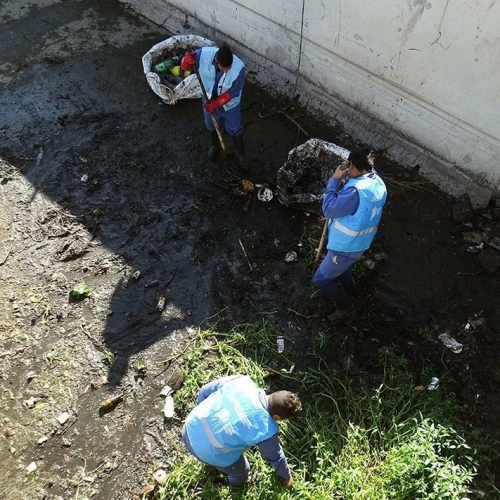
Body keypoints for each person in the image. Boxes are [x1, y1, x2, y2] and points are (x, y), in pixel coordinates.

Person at [182, 374, 302, 488]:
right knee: (242, 471)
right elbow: (275, 456)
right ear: (277, 417)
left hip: (190, 425)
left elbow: (204, 391)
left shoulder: (242, 382)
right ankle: (235, 487)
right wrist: (287, 477)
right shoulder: (267, 430)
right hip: (205, 453)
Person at [312, 148, 387, 321]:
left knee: (320, 281)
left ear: (352, 165)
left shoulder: (355, 191)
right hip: (361, 242)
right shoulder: (378, 183)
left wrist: (335, 179)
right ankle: (348, 287)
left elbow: (329, 209)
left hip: (344, 247)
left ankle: (344, 307)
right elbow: (361, 212)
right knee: (344, 270)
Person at [181, 44, 247, 167]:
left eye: (229, 68)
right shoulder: (202, 56)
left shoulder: (239, 68)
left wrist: (217, 103)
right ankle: (215, 146)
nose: (227, 70)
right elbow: (184, 67)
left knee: (235, 128)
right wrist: (187, 61)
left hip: (230, 104)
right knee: (211, 124)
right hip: (208, 98)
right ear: (217, 60)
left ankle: (240, 155)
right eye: (224, 68)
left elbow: (234, 91)